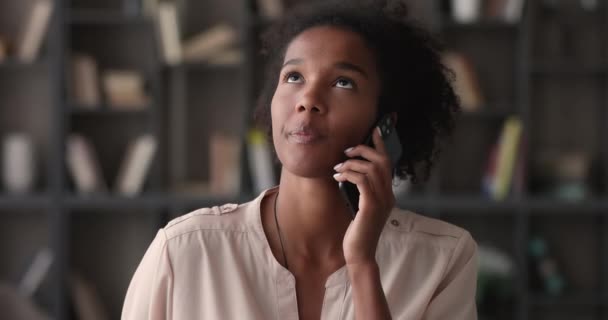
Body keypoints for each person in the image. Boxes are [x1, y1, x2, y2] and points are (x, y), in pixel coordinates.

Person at [122, 2, 478, 319]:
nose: (308, 98)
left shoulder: (441, 260)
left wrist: (363, 264)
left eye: (342, 82)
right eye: (293, 76)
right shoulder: (185, 251)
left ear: (385, 123)